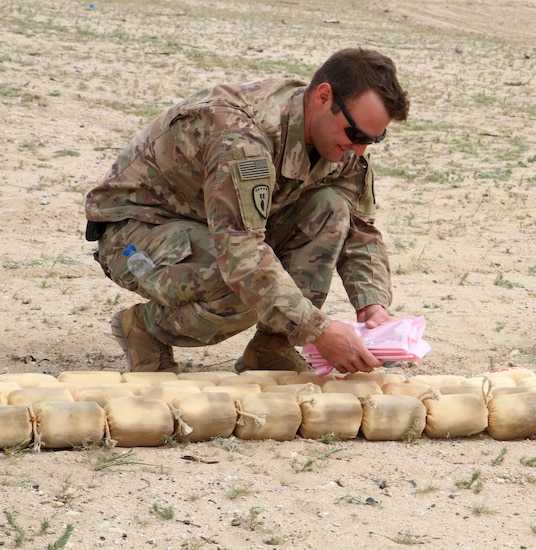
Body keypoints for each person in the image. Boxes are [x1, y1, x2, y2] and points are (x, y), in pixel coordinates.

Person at [84, 47, 410, 375]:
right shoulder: (242, 137)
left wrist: (372, 305)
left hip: (213, 226)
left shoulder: (342, 142)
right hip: (137, 229)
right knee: (244, 286)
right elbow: (242, 256)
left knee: (329, 207)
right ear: (323, 97)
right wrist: (316, 330)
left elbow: (359, 226)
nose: (360, 148)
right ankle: (144, 328)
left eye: (374, 138)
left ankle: (270, 347)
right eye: (355, 134)